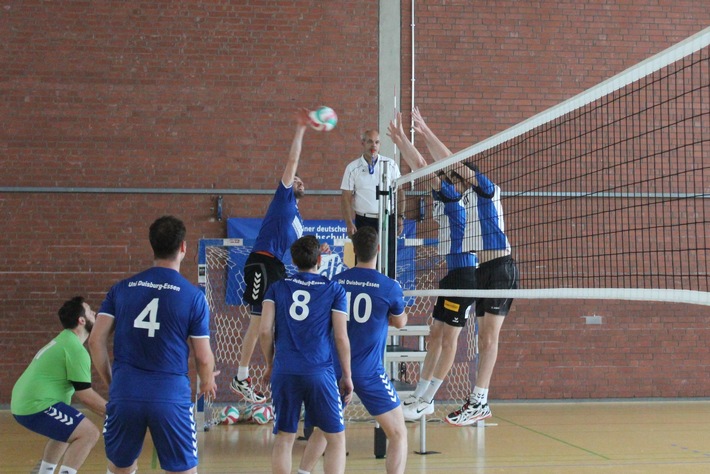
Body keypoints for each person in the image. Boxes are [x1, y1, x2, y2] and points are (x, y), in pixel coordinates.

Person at [401, 108, 519, 426]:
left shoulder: (487, 189)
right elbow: (430, 171)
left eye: (458, 176)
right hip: (480, 273)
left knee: (487, 339)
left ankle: (477, 400)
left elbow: (450, 163)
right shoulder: (461, 201)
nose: (454, 180)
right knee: (469, 337)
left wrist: (425, 132)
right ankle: (437, 398)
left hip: (499, 269)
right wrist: (403, 139)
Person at [89, 216, 218, 474]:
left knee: (120, 468)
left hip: (125, 392)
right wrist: (207, 381)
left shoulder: (121, 289)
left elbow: (95, 340)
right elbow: (203, 358)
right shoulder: (193, 296)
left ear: (152, 246)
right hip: (170, 396)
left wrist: (114, 384)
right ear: (183, 247)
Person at [387, 109, 478, 422]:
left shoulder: (454, 200)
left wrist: (415, 134)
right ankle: (418, 396)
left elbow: (426, 167)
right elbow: (423, 168)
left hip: (466, 276)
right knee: (435, 333)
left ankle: (428, 398)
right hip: (452, 275)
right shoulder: (447, 199)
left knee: (449, 338)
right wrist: (400, 138)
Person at [232, 108, 325, 404]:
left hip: (277, 269)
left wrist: (319, 247)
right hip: (261, 261)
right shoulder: (283, 198)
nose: (297, 180)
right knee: (258, 323)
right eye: (294, 179)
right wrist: (301, 129)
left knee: (271, 324)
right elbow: (292, 161)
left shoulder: (298, 220)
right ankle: (242, 375)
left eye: (300, 180)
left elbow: (302, 249)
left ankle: (272, 370)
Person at [298, 227, 408, 474]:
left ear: (353, 251)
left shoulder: (336, 282)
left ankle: (303, 472)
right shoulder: (389, 287)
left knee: (324, 429)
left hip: (335, 369)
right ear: (378, 249)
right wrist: (384, 316)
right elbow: (401, 322)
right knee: (398, 433)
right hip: (368, 372)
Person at [259, 235, 353, 474]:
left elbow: (264, 331)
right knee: (336, 438)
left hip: (285, 370)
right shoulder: (334, 290)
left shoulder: (277, 288)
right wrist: (347, 376)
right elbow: (341, 337)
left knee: (284, 438)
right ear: (320, 260)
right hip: (319, 372)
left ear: (292, 259)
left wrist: (271, 364)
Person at [11, 296, 107, 474]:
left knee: (67, 430)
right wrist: (115, 411)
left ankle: (44, 472)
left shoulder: (65, 340)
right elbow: (85, 396)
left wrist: (107, 413)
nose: (95, 313)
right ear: (81, 320)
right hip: (36, 405)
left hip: (25, 403)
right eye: (90, 311)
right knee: (88, 434)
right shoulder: (75, 349)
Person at [340, 129, 405, 277]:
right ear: (362, 143)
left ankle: (387, 293)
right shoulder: (352, 168)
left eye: (377, 142)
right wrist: (349, 223)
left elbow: (400, 191)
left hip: (387, 219)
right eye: (370, 141)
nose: (373, 145)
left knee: (388, 261)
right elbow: (345, 197)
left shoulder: (391, 165)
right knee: (364, 261)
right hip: (364, 221)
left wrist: (400, 217)